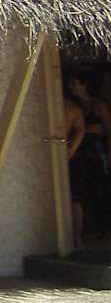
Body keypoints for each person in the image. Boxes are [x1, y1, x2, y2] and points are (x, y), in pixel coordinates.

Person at [64, 70, 110, 249]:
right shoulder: (73, 106)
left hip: (97, 152)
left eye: (74, 83)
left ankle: (104, 228)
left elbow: (107, 130)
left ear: (84, 85)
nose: (71, 87)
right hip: (80, 152)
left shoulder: (98, 105)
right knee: (84, 190)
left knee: (101, 188)